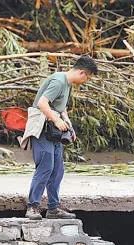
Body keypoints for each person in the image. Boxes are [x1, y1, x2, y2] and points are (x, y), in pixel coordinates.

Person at [21, 55, 98, 220]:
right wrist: (56, 119)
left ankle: (53, 208)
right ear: (82, 73)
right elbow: (42, 103)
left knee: (57, 170)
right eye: (88, 77)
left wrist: (68, 125)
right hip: (43, 130)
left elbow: (61, 108)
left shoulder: (68, 84)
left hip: (54, 132)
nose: (86, 81)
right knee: (45, 167)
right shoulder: (59, 81)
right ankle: (32, 207)